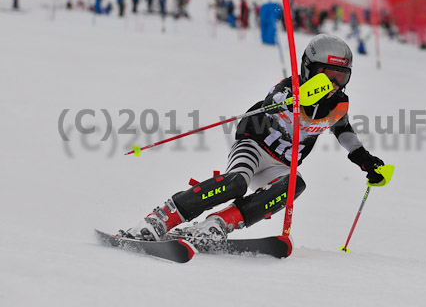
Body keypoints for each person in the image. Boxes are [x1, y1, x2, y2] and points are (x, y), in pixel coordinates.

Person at [119, 34, 388, 249]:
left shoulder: (338, 103)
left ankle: (218, 224)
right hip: (255, 146)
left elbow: (344, 131)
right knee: (237, 183)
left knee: (295, 184)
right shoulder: (289, 88)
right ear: (309, 69)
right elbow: (271, 102)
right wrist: (292, 100)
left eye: (341, 77)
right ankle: (164, 217)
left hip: (281, 163)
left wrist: (365, 160)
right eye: (327, 74)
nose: (333, 83)